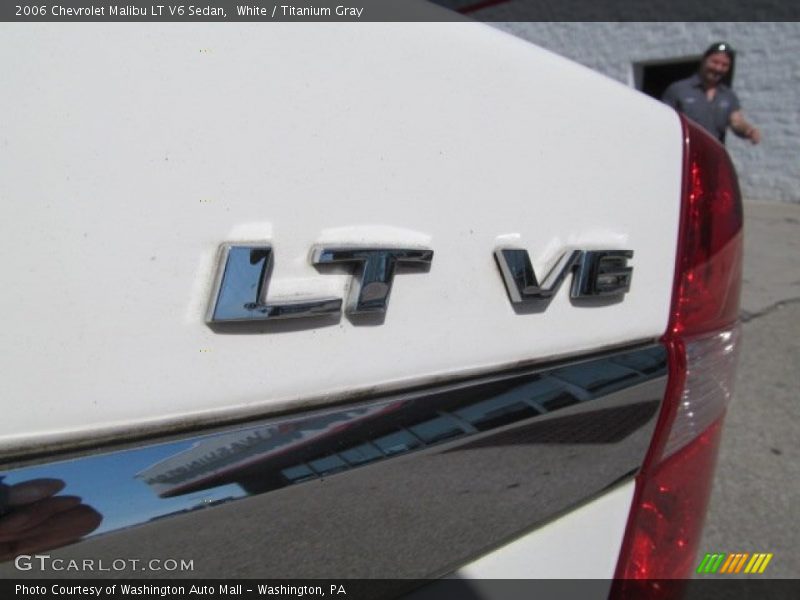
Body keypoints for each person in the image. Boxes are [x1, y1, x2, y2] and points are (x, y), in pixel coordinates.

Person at [662, 42, 761, 145]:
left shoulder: (728, 96)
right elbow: (664, 122)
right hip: (683, 152)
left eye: (724, 65)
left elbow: (736, 122)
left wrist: (748, 131)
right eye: (714, 62)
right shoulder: (678, 89)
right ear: (703, 61)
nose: (718, 68)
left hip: (711, 156)